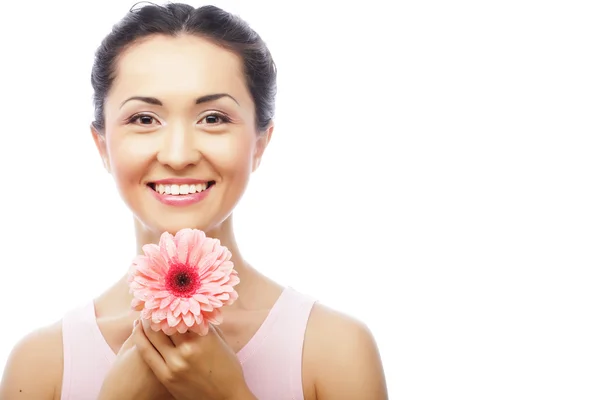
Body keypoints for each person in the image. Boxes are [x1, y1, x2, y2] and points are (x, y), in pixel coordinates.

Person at [0, 3, 388, 399]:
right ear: (102, 145)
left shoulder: (335, 350)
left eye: (214, 118)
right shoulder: (42, 364)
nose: (178, 154)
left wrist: (231, 395)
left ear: (260, 143)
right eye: (144, 119)